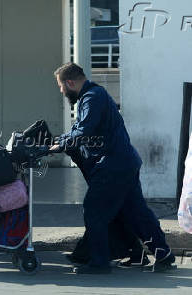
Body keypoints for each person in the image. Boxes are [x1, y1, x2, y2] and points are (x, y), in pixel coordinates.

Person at [50, 62, 175, 274]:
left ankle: (99, 263)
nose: (62, 91)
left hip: (112, 166)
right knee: (135, 213)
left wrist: (60, 144)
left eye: (61, 87)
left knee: (95, 210)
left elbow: (84, 130)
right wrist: (61, 140)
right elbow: (80, 129)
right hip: (125, 162)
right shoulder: (96, 95)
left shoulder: (91, 97)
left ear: (70, 83)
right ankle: (160, 254)